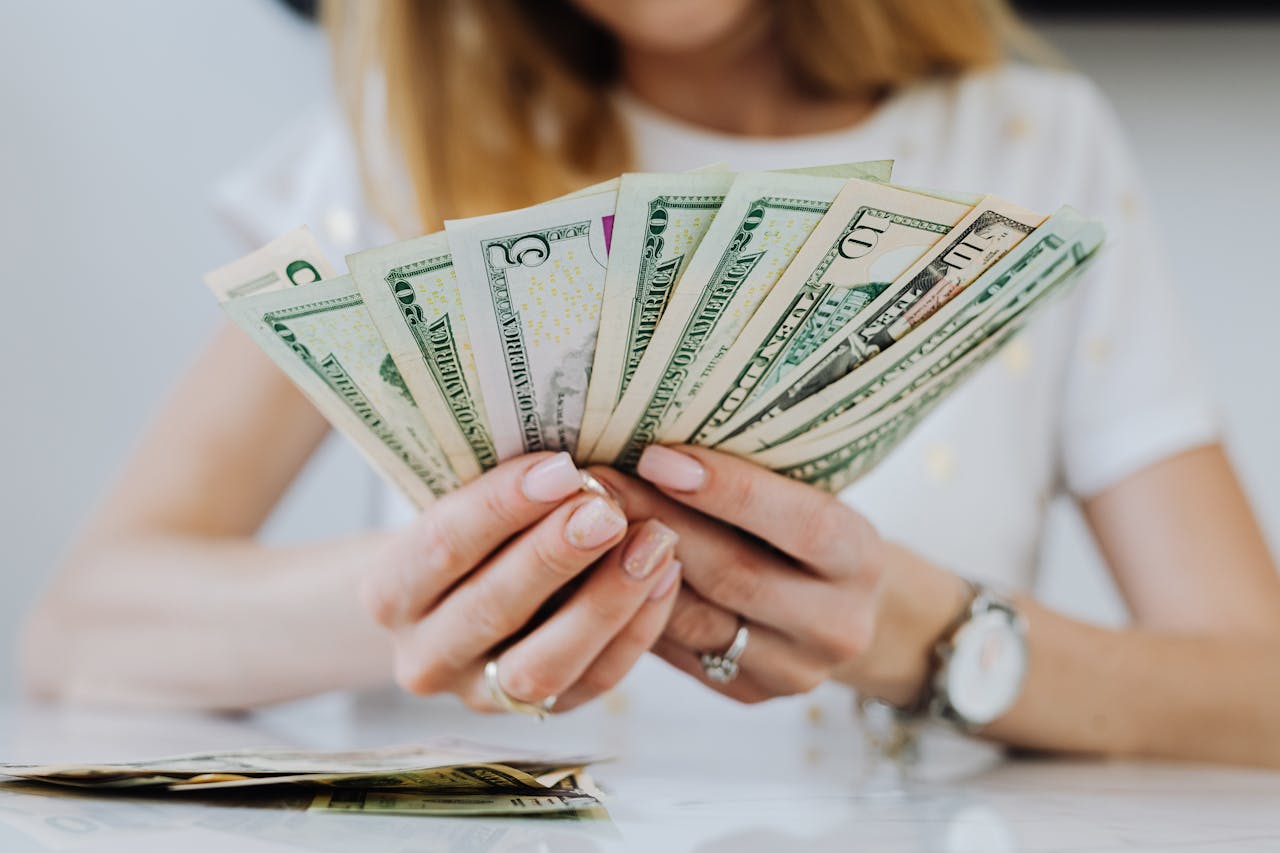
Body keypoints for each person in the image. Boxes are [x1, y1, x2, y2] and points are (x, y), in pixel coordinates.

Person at [22, 0, 1280, 767]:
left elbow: (1257, 699)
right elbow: (84, 630)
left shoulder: (1034, 147)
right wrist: (448, 599)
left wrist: (919, 636)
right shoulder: (398, 142)